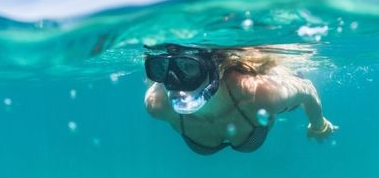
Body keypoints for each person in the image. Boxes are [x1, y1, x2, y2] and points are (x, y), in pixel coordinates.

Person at [144, 43, 337, 155]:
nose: (173, 81)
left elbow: (308, 89)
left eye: (189, 67)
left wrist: (318, 125)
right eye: (160, 69)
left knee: (289, 88)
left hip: (263, 84)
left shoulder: (259, 93)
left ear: (216, 67)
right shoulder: (157, 104)